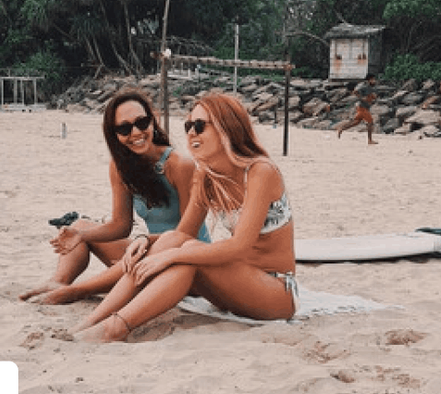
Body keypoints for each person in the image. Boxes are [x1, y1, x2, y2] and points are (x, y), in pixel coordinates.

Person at [72, 93, 298, 343]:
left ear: (226, 127)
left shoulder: (260, 172)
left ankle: (116, 327)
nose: (191, 133)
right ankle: (94, 320)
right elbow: (182, 233)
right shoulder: (206, 175)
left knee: (185, 254)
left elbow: (238, 246)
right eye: (188, 126)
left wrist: (172, 254)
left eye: (200, 125)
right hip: (235, 282)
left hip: (276, 290)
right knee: (175, 241)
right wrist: (146, 240)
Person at [19, 89, 209, 304]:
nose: (136, 132)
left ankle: (77, 291)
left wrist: (143, 248)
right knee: (80, 226)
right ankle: (59, 281)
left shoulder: (180, 166)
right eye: (124, 128)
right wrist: (81, 236)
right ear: (114, 134)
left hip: (187, 262)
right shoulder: (120, 168)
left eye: (142, 122)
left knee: (137, 254)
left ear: (152, 122)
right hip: (148, 251)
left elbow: (186, 236)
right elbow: (121, 225)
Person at [336, 73, 378, 144]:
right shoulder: (363, 86)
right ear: (369, 80)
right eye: (373, 79)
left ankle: (341, 128)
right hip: (362, 107)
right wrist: (362, 98)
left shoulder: (369, 86)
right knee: (370, 122)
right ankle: (370, 140)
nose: (374, 81)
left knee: (356, 122)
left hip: (363, 107)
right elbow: (355, 91)